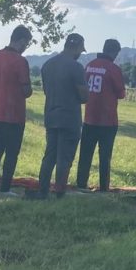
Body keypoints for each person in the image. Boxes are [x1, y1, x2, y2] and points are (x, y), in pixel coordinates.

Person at [29, 32, 88, 199]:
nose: (79, 54)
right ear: (76, 47)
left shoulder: (47, 65)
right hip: (70, 118)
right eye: (80, 50)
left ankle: (43, 190)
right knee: (65, 158)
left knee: (49, 156)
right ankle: (60, 192)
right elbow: (84, 96)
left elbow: (47, 91)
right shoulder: (76, 67)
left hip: (51, 115)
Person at [0, 24, 33, 195]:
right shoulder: (20, 61)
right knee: (12, 152)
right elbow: (26, 90)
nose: (25, 48)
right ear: (21, 41)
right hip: (14, 114)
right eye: (26, 44)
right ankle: (5, 188)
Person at [76, 38, 127, 192]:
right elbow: (121, 94)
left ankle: (81, 184)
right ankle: (104, 187)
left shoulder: (89, 65)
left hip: (89, 117)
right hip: (108, 120)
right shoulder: (113, 69)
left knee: (85, 154)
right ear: (115, 52)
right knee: (105, 156)